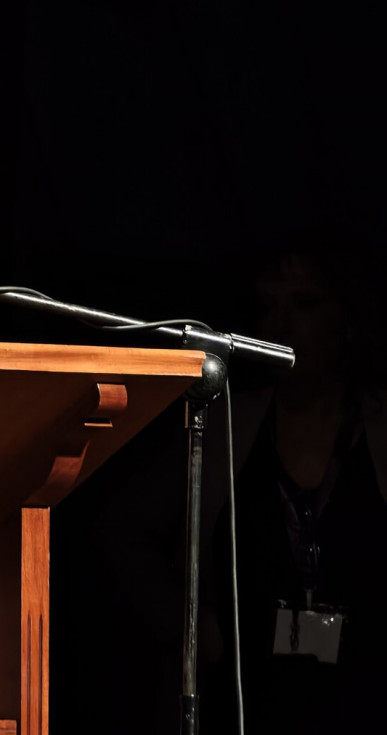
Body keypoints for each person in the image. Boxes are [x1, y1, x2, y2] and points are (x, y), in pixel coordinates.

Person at [200, 228, 387, 734]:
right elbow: (121, 529)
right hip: (248, 698)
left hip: (368, 697)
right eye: (269, 306)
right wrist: (194, 626)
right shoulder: (224, 424)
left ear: (346, 315)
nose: (281, 325)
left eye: (304, 304)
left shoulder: (377, 427)